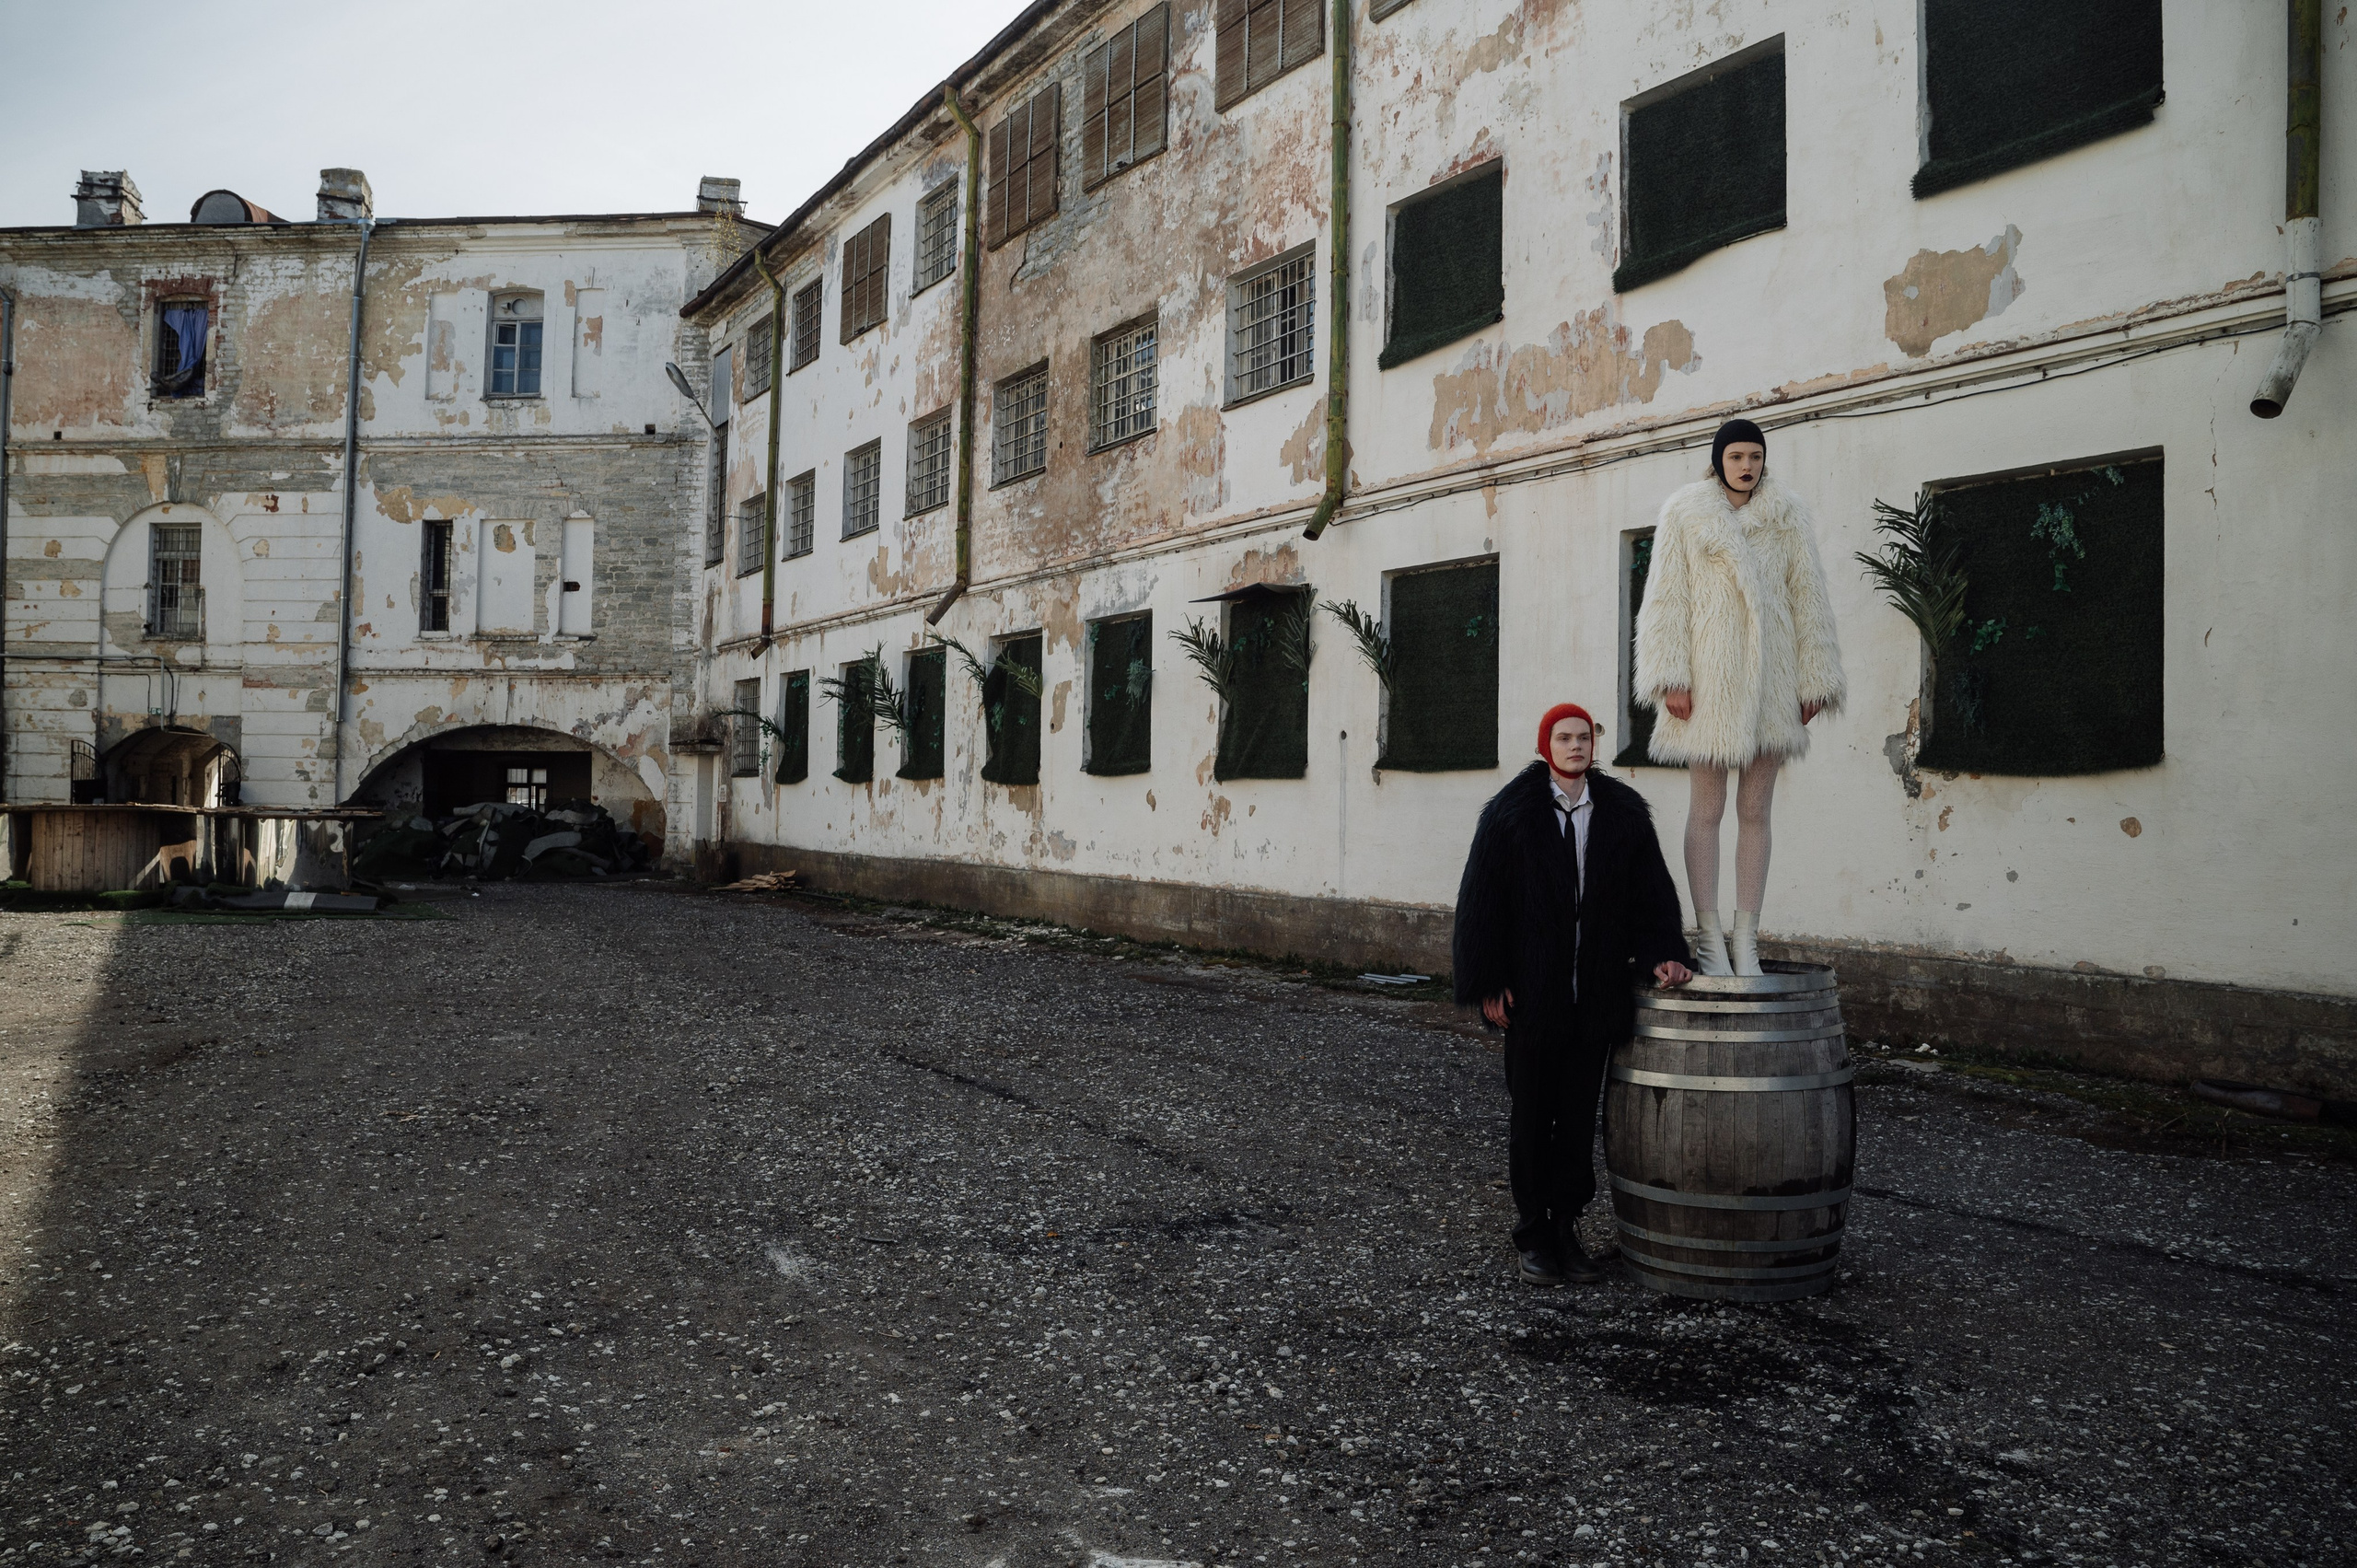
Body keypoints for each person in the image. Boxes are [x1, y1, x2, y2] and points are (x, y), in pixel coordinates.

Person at [1453, 703, 1693, 1285]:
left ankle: (1567, 1228)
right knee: (1533, 1118)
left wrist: (1666, 949)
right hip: (1533, 1001)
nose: (1575, 746)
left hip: (1595, 1000)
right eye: (1564, 737)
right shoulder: (1511, 816)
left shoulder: (1623, 815)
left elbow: (1651, 893)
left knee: (1579, 1118)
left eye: (1584, 737)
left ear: (1594, 744)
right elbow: (1480, 904)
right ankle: (1533, 1234)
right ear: (1546, 746)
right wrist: (1487, 983)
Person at [1633, 418, 1846, 976]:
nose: (1746, 465)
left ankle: (1746, 937)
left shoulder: (1788, 514)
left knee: (1756, 810)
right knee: (1706, 809)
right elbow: (1665, 599)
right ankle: (1708, 937)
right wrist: (1670, 677)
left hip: (1774, 683)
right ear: (1718, 460)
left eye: (1754, 455)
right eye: (1736, 457)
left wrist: (1815, 678)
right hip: (1709, 682)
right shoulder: (1685, 512)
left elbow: (1808, 596)